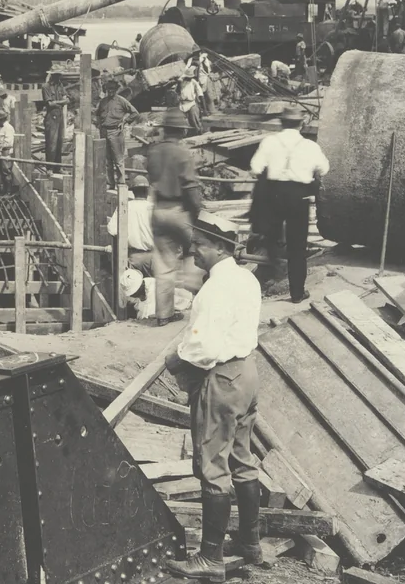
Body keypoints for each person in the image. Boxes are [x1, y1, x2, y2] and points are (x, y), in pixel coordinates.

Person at [164, 213, 263, 581]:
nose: (194, 254)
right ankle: (250, 543)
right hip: (247, 371)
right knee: (242, 457)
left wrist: (177, 358)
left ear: (221, 247)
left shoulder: (215, 288)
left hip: (221, 377)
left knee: (212, 463)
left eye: (200, 247)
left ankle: (209, 558)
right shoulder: (247, 279)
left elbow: (203, 348)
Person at [249, 107, 329, 304]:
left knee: (270, 237)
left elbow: (255, 169)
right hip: (298, 197)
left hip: (273, 194)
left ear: (281, 123)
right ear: (301, 124)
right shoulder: (309, 146)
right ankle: (296, 292)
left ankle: (271, 271)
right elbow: (324, 168)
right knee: (297, 245)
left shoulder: (269, 142)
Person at [147, 108, 202, 327]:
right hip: (178, 210)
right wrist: (200, 215)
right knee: (202, 251)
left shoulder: (153, 152)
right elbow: (190, 187)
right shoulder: (182, 153)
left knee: (163, 264)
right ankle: (200, 305)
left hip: (158, 209)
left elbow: (152, 177)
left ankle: (164, 315)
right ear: (180, 131)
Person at [106, 174, 154, 274]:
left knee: (132, 287)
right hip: (153, 258)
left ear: (133, 192)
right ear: (147, 191)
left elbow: (112, 229)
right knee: (153, 287)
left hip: (134, 257)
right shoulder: (153, 208)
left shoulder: (125, 207)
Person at [96, 78, 139, 184]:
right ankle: (110, 183)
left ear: (116, 89)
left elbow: (135, 113)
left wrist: (125, 121)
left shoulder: (121, 100)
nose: (110, 91)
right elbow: (97, 115)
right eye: (108, 89)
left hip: (116, 132)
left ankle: (121, 183)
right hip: (104, 132)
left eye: (112, 89)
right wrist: (99, 125)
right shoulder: (103, 102)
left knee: (118, 159)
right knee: (107, 160)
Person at [0, 113, 16, 195]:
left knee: (6, 171)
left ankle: (8, 191)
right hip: (1, 151)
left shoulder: (8, 128)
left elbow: (8, 143)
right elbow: (1, 140)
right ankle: (4, 190)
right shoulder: (1, 128)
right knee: (2, 171)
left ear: (2, 120)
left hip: (6, 152)